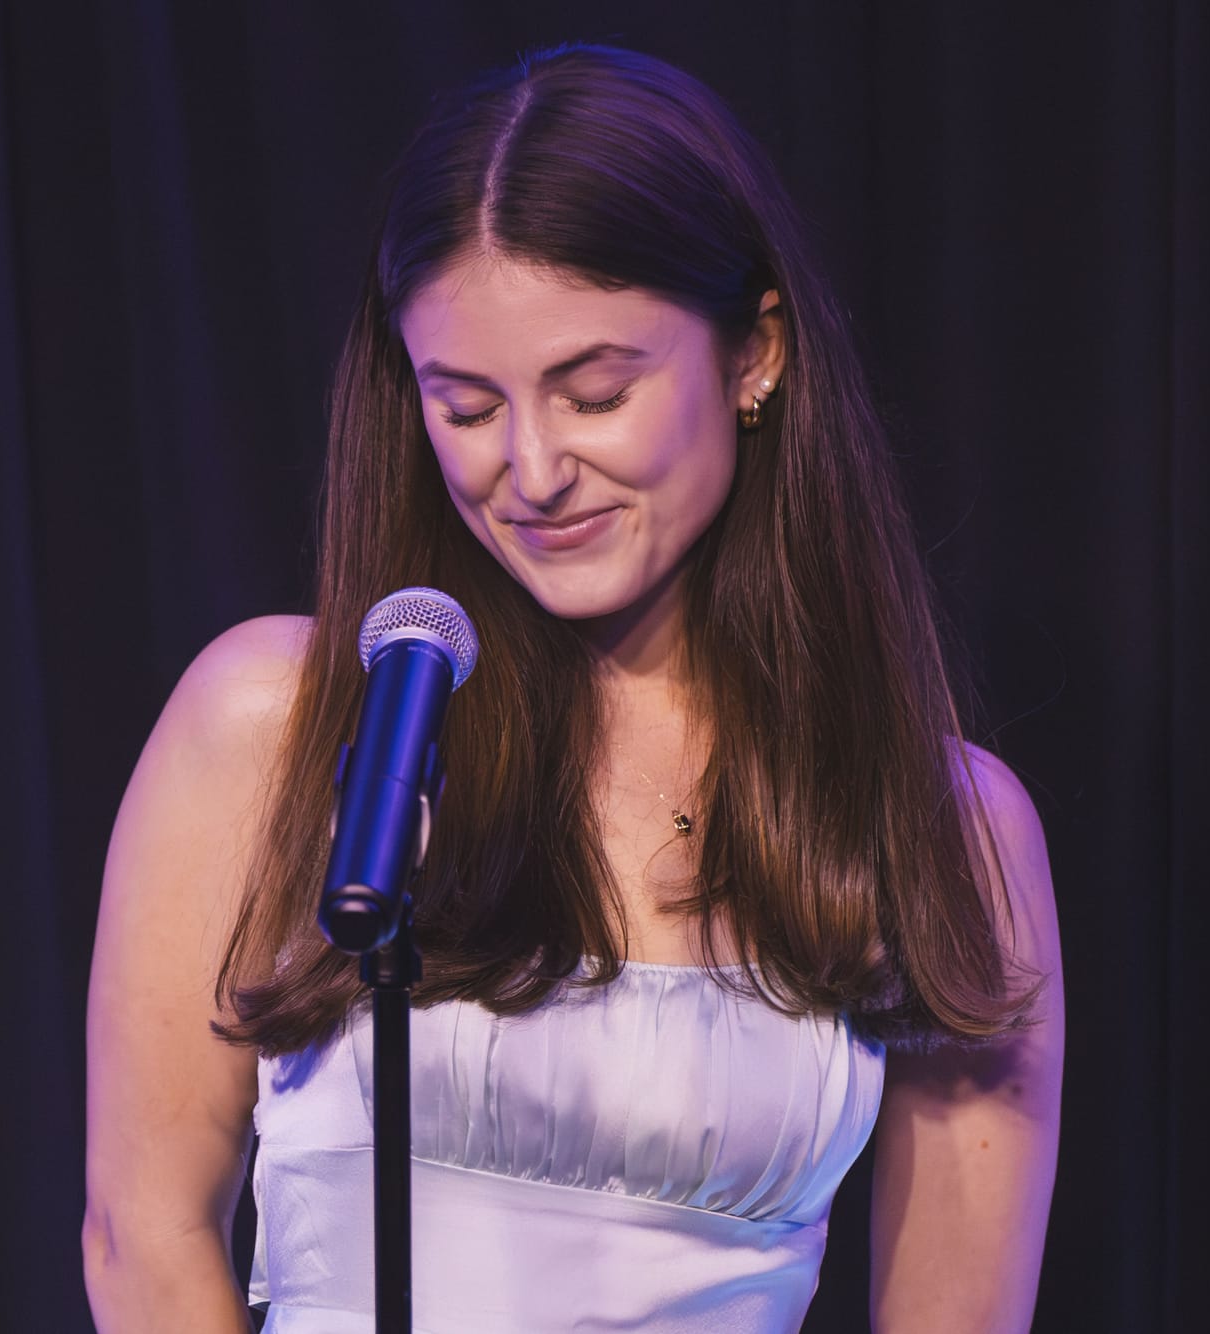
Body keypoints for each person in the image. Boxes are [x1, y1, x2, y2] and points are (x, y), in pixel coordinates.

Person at [82, 43, 1064, 1334]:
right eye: (467, 409)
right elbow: (144, 1233)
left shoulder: (945, 824)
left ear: (756, 354)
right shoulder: (279, 721)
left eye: (595, 393)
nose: (534, 471)